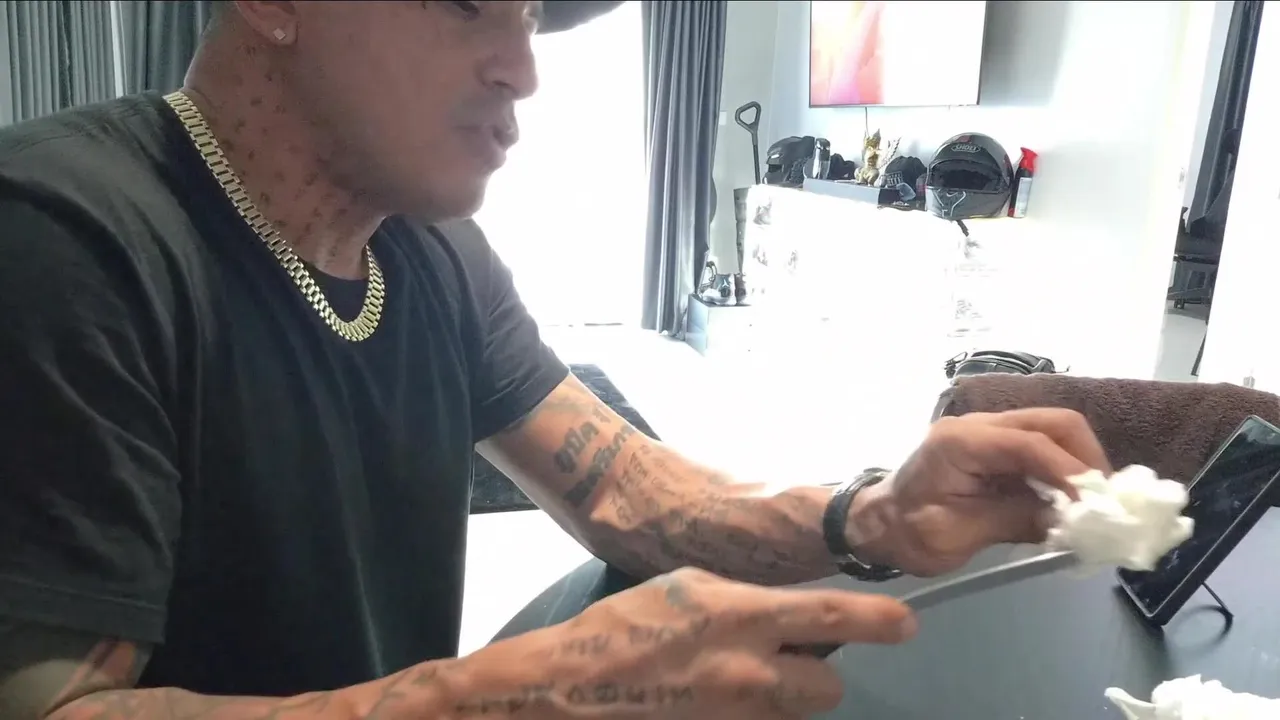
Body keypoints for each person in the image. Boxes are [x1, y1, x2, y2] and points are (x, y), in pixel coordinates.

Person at [0, 2, 1113, 719]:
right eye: (467, 2)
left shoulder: (431, 252)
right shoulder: (63, 237)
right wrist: (509, 694)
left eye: (530, 14)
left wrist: (868, 515)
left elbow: (626, 488)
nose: (523, 69)